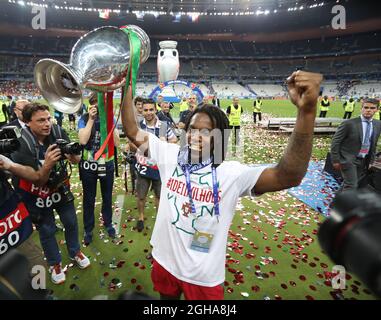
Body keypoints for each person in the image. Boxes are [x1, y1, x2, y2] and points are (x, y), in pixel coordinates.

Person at [121, 70, 323, 300]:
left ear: (220, 138)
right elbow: (132, 131)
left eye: (206, 132)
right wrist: (125, 88)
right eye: (193, 129)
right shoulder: (170, 155)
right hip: (165, 261)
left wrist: (306, 113)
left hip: (202, 274)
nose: (196, 136)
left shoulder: (230, 174)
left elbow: (288, 176)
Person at [10, 103, 90, 284]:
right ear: (28, 122)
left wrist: (74, 156)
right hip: (34, 192)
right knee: (46, 230)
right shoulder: (21, 143)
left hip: (59, 187)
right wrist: (47, 164)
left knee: (70, 221)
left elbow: (76, 159)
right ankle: (55, 263)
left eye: (48, 118)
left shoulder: (57, 131)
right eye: (41, 120)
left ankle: (75, 251)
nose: (47, 124)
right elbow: (37, 179)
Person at [78, 94, 120, 245]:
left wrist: (108, 122)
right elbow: (82, 140)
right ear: (91, 106)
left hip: (107, 164)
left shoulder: (110, 119)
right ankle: (88, 229)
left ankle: (108, 223)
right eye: (96, 106)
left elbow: (116, 143)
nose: (99, 109)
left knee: (107, 197)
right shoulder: (84, 118)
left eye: (102, 106)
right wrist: (90, 119)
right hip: (89, 165)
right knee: (89, 199)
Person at [133, 99, 177, 232]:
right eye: (145, 110)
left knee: (159, 195)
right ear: (142, 111)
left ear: (155, 110)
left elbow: (174, 140)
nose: (148, 112)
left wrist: (165, 144)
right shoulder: (138, 126)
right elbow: (131, 144)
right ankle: (141, 217)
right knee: (141, 195)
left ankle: (159, 218)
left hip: (160, 168)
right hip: (143, 166)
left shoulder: (163, 126)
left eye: (151, 109)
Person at [331, 98, 381, 191]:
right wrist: (335, 160)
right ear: (361, 108)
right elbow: (336, 142)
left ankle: (337, 202)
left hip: (363, 160)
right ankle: (344, 205)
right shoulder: (349, 123)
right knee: (351, 185)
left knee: (350, 184)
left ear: (376, 110)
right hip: (348, 159)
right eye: (366, 107)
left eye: (372, 108)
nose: (368, 110)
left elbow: (373, 144)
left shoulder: (378, 124)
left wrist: (371, 161)